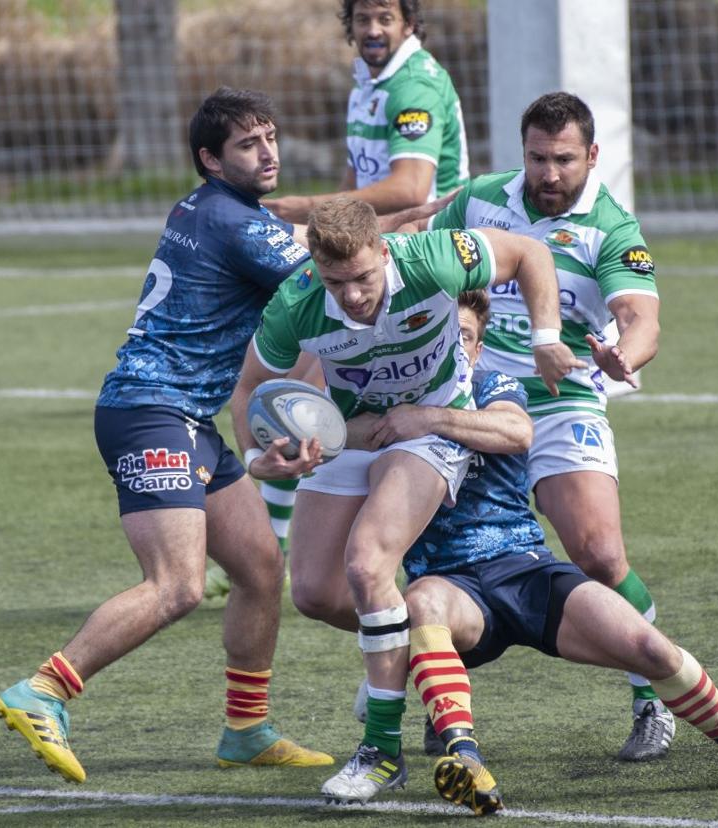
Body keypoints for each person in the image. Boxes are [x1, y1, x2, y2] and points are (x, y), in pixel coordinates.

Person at [358, 290, 718, 813]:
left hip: (527, 572)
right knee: (423, 600)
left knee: (650, 648)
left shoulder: (495, 385)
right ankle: (464, 756)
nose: (454, 347)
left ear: (475, 350)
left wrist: (426, 419)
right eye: (443, 338)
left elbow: (516, 432)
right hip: (453, 590)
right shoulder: (385, 406)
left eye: (465, 337)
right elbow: (333, 438)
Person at [0, 88, 332, 783]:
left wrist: (407, 217)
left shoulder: (215, 209)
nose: (267, 152)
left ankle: (246, 728)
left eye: (271, 136)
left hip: (186, 419)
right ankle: (44, 690)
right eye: (248, 143)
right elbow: (336, 272)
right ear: (211, 159)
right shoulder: (235, 223)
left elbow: (315, 239)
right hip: (151, 413)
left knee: (262, 568)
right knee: (176, 586)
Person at [231, 196, 578, 804]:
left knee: (368, 563)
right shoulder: (295, 304)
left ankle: (381, 751)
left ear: (383, 252)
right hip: (351, 432)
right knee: (314, 592)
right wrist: (259, 456)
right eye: (337, 283)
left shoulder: (433, 261)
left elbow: (529, 252)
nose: (354, 295)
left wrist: (547, 338)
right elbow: (251, 389)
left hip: (429, 427)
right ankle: (397, 651)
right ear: (316, 267)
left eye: (364, 278)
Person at [396, 91, 670, 761]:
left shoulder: (612, 227)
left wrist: (618, 355)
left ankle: (650, 700)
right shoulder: (482, 198)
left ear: (593, 156)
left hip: (558, 400)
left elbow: (643, 321)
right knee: (423, 559)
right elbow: (418, 256)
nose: (549, 174)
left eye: (565, 160)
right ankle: (443, 693)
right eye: (537, 158)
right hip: (467, 396)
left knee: (600, 554)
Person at [264, 0, 468, 224]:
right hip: (382, 232)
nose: (373, 31)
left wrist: (303, 209)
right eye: (363, 19)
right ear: (350, 24)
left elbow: (411, 190)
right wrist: (321, 220)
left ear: (408, 24)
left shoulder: (414, 86)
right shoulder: (368, 81)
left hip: (431, 237)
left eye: (385, 19)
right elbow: (355, 183)